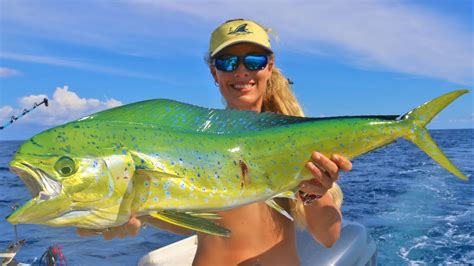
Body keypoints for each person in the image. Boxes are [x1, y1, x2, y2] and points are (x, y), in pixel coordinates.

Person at [77, 19, 352, 265]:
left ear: (269, 67)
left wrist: (313, 190)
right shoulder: (194, 142)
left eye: (253, 61)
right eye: (228, 62)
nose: (241, 71)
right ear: (214, 73)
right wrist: (140, 215)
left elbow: (329, 236)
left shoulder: (294, 141)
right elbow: (195, 222)